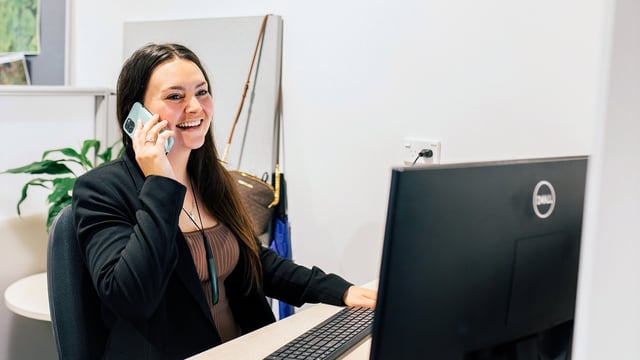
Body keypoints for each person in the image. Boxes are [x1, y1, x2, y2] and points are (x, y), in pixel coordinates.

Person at [71, 43, 377, 359]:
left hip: (246, 348)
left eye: (202, 92)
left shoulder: (210, 175)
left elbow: (255, 262)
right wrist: (160, 183)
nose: (195, 107)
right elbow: (133, 297)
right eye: (175, 97)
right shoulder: (101, 190)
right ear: (138, 114)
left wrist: (339, 291)